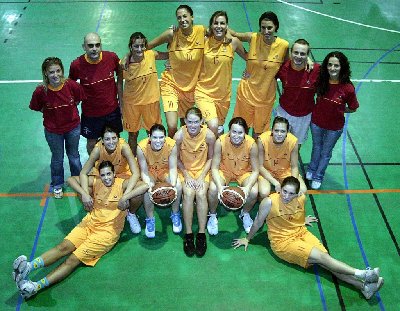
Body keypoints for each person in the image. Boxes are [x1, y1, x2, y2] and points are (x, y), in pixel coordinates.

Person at [12, 161, 149, 299]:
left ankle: (35, 287)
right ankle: (28, 267)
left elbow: (145, 185)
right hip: (89, 223)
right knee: (63, 247)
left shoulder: (121, 184)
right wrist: (84, 193)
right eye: (103, 175)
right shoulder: (96, 182)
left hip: (107, 233)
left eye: (109, 174)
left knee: (72, 260)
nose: (106, 177)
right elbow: (71, 179)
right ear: (99, 176)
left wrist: (125, 197)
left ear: (114, 174)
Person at [233, 176, 384, 300]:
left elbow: (297, 213)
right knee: (323, 258)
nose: (286, 196)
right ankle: (363, 273)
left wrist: (302, 220)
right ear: (279, 189)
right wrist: (247, 238)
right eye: (284, 191)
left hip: (302, 233)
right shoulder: (269, 202)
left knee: (327, 262)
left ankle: (364, 288)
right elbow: (258, 222)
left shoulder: (301, 199)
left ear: (297, 194)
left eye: (291, 193)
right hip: (283, 243)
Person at [146, 4, 206, 138]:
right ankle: (172, 155)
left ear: (192, 17)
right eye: (179, 17)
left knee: (185, 125)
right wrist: (167, 56)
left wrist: (231, 38)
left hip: (191, 86)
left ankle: (182, 153)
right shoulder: (171, 34)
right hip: (171, 84)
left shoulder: (201, 31)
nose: (182, 20)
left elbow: (218, 30)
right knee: (172, 126)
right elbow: (146, 46)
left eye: (185, 16)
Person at [29, 57, 85, 198]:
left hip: (72, 128)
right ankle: (57, 184)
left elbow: (78, 99)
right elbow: (36, 106)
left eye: (58, 71)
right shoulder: (41, 91)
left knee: (74, 156)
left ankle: (78, 181)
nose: (55, 75)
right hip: (53, 132)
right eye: (51, 72)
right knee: (57, 158)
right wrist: (50, 112)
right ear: (45, 74)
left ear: (62, 71)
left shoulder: (71, 86)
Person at [230, 11, 289, 137]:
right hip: (246, 94)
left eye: (269, 28)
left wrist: (308, 60)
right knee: (241, 132)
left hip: (265, 98)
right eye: (263, 27)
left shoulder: (284, 45)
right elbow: (233, 35)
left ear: (276, 27)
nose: (266, 31)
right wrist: (212, 29)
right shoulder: (253, 37)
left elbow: (288, 65)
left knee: (259, 135)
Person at [306, 51, 359, 189]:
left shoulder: (348, 88)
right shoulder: (321, 79)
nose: (332, 68)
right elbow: (308, 59)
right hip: (316, 123)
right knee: (316, 147)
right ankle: (311, 169)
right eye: (329, 65)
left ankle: (318, 176)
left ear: (342, 67)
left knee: (326, 152)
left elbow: (353, 108)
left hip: (334, 128)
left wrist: (340, 110)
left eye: (336, 65)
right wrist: (309, 60)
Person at [77, 125, 142, 234]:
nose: (111, 142)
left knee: (138, 192)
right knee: (83, 189)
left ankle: (131, 214)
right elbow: (83, 173)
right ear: (102, 140)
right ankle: (95, 212)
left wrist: (127, 195)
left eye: (113, 138)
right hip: (103, 176)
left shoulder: (124, 147)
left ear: (118, 138)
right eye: (107, 139)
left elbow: (135, 173)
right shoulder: (98, 149)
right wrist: (85, 194)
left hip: (122, 176)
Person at [195, 10, 247, 137]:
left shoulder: (233, 42)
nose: (219, 26)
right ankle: (210, 157)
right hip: (204, 92)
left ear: (227, 26)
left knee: (218, 128)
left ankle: (217, 154)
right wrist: (170, 60)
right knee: (212, 125)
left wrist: (250, 70)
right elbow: (185, 49)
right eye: (216, 23)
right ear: (211, 26)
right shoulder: (203, 41)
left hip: (223, 96)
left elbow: (250, 58)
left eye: (222, 23)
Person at [69, 32, 123, 154]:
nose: (94, 49)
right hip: (91, 114)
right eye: (90, 46)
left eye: (97, 45)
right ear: (84, 47)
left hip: (112, 111)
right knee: (92, 143)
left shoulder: (111, 58)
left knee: (114, 140)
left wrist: (122, 104)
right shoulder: (76, 65)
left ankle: (115, 165)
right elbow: (71, 86)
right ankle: (95, 168)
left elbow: (121, 72)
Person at [118, 32, 169, 156]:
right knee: (133, 134)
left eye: (142, 46)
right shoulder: (123, 64)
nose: (139, 49)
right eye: (136, 46)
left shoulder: (151, 54)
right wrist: (120, 103)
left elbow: (170, 55)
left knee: (152, 132)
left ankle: (154, 158)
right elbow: (119, 84)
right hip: (131, 104)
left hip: (151, 103)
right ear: (131, 47)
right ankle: (134, 161)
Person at [174, 108, 216, 256]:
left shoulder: (209, 136)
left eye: (196, 122)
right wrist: (186, 175)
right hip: (185, 171)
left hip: (202, 171)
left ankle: (201, 234)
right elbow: (176, 159)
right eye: (190, 122)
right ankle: (189, 234)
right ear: (185, 122)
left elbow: (211, 158)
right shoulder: (178, 136)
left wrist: (201, 176)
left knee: (201, 193)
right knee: (188, 192)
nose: (193, 125)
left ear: (202, 122)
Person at [207, 117, 259, 235]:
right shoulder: (220, 141)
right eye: (233, 131)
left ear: (245, 133)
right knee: (214, 188)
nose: (236, 135)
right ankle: (213, 215)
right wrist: (220, 187)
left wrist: (247, 188)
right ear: (229, 131)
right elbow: (214, 167)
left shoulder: (252, 144)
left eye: (240, 132)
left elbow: (256, 170)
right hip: (224, 170)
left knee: (254, 191)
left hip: (244, 172)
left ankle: (245, 214)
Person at [136, 124, 183, 238]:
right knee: (148, 189)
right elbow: (144, 171)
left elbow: (172, 168)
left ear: (165, 137)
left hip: (165, 170)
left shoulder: (171, 145)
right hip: (150, 171)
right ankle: (150, 219)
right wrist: (149, 183)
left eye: (161, 137)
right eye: (155, 137)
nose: (158, 141)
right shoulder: (141, 147)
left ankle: (175, 213)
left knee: (177, 185)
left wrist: (172, 184)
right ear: (149, 137)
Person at [275, 39, 320, 146]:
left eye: (302, 54)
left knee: (296, 144)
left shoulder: (317, 70)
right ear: (291, 52)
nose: (298, 56)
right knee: (278, 142)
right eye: (296, 52)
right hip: (284, 112)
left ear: (307, 55)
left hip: (304, 116)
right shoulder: (283, 67)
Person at [258, 116, 307, 199]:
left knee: (302, 190)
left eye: (283, 131)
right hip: (266, 171)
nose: (279, 134)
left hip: (285, 171)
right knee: (264, 192)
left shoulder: (293, 141)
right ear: (272, 130)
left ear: (287, 132)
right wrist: (275, 183)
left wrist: (292, 184)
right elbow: (259, 166)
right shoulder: (262, 139)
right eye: (276, 130)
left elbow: (294, 166)